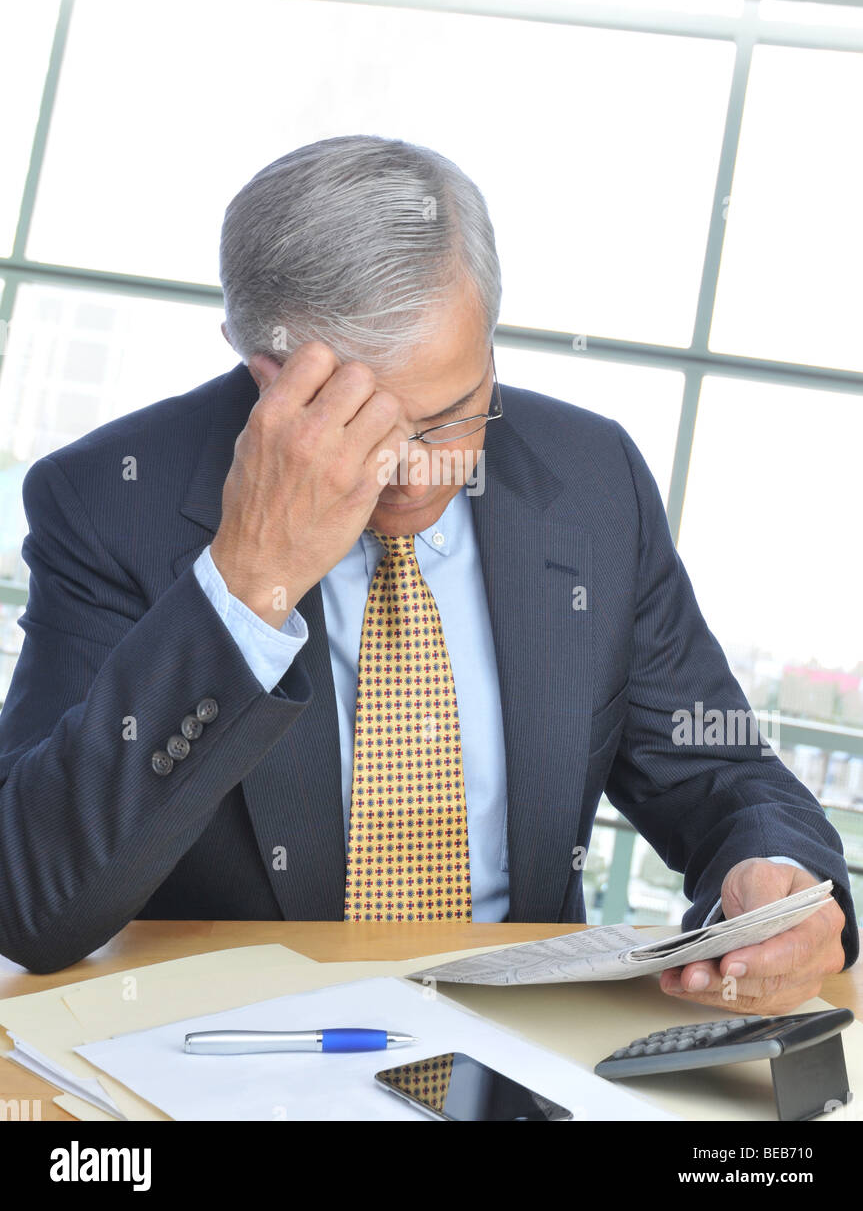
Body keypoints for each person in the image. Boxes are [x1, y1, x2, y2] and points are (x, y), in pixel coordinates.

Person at [0, 135, 855, 1012]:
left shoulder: (593, 479)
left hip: (528, 1052)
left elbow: (720, 771)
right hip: (236, 1052)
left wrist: (777, 876)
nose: (417, 473)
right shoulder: (108, 501)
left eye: (451, 415)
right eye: (363, 427)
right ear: (264, 375)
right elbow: (34, 902)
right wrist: (248, 581)